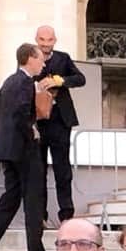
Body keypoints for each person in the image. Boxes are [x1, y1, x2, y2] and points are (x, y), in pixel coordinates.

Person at [0, 42, 57, 251]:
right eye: (40, 58)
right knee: (34, 200)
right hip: (23, 150)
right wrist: (31, 130)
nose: (43, 63)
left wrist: (5, 130)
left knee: (9, 201)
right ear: (29, 58)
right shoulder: (26, 82)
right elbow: (20, 113)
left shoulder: (10, 80)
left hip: (7, 149)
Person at [34, 25, 86, 227]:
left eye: (49, 40)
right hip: (38, 121)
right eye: (42, 40)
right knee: (38, 171)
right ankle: (41, 217)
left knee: (62, 170)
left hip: (61, 121)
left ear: (55, 40)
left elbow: (80, 79)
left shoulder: (63, 58)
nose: (46, 44)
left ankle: (66, 216)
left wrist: (59, 80)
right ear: (36, 39)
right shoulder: (30, 57)